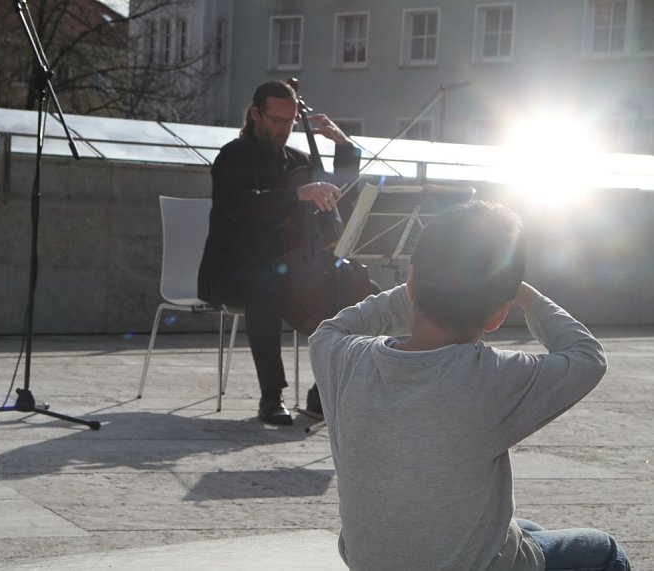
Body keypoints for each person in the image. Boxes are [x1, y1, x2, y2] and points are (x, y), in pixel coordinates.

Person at [309, 201, 631, 570]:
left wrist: (422, 285)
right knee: (603, 550)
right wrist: (525, 296)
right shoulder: (491, 377)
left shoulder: (342, 358)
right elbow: (587, 357)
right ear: (498, 314)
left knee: (525, 528)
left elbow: (331, 328)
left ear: (411, 286)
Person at [197, 79, 362, 425]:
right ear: (255, 114)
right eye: (276, 121)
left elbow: (337, 196)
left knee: (356, 286)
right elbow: (241, 206)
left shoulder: (297, 161)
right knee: (265, 285)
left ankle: (322, 394)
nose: (284, 130)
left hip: (289, 265)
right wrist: (298, 195)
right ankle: (271, 397)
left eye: (290, 123)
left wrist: (343, 145)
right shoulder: (232, 156)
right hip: (232, 269)